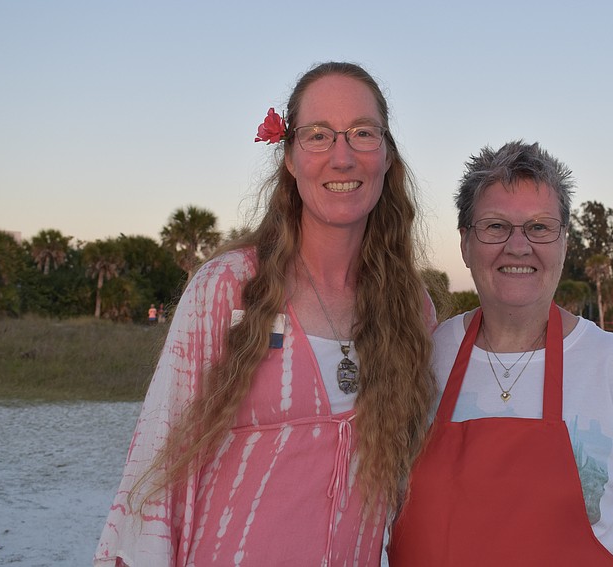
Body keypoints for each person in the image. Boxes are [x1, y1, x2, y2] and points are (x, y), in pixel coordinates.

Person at [94, 62, 437, 567]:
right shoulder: (227, 288)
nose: (342, 157)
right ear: (291, 159)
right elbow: (158, 469)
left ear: (386, 157)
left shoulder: (413, 309)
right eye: (318, 135)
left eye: (363, 133)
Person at [389, 141, 613, 566]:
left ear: (564, 243)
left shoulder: (611, 365)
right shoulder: (424, 357)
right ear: (465, 244)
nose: (517, 245)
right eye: (494, 226)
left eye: (539, 227)